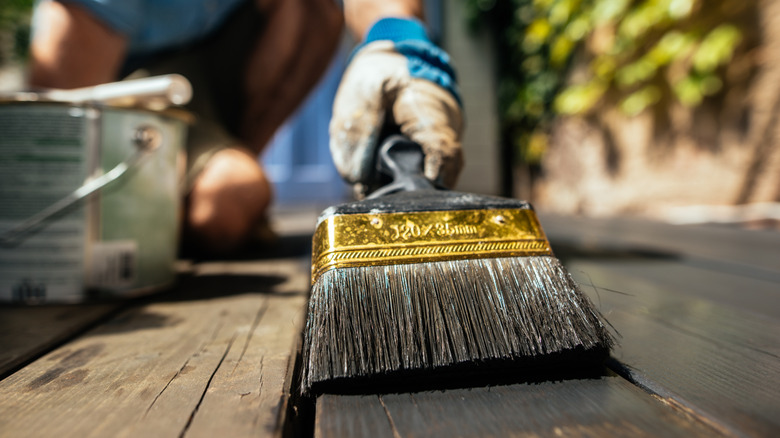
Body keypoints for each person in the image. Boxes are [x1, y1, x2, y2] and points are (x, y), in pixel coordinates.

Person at [29, 0, 463, 255]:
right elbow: (58, 114)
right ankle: (203, 198)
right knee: (232, 199)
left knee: (312, 9)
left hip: (207, 68)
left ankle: (230, 161)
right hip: (126, 90)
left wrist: (397, 43)